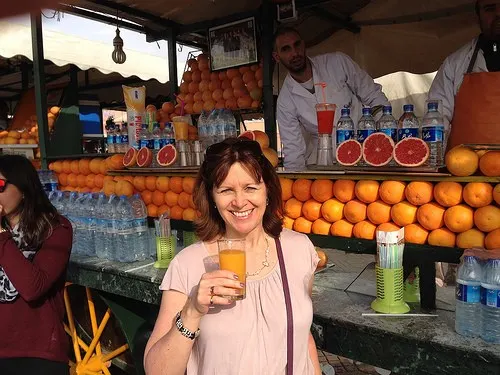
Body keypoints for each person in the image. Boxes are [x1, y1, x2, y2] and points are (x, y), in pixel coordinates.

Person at [144, 138, 321, 375]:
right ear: (212, 197)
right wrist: (192, 311)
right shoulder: (188, 265)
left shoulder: (299, 250)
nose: (239, 202)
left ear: (267, 189)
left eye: (251, 188)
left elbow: (303, 339)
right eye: (226, 190)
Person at [273, 26, 389, 171]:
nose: (295, 53)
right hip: (326, 165)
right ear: (277, 57)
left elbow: (373, 95)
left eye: (297, 45)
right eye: (286, 49)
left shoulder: (337, 63)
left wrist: (386, 136)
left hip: (365, 155)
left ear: (303, 44)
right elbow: (293, 149)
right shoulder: (285, 100)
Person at [0, 155, 72, 375]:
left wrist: (1, 237)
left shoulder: (55, 228)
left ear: (23, 189)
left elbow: (33, 287)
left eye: (0, 185)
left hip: (38, 353)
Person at [428, 0, 500, 150]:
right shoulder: (455, 63)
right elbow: (437, 118)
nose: (498, 14)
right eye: (490, 9)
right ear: (478, 16)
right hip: (464, 169)